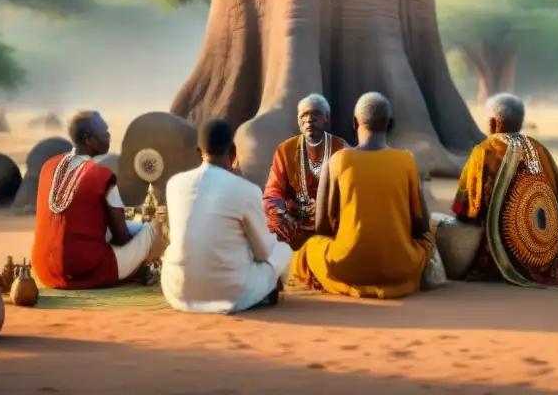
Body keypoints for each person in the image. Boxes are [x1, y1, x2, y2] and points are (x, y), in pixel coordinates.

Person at [291, 92, 432, 299]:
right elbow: (422, 225)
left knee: (309, 248)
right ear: (390, 124)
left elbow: (321, 225)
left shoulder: (338, 161)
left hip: (347, 266)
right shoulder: (407, 161)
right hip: (400, 267)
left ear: (355, 123)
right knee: (428, 242)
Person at [161, 118, 293, 314]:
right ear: (232, 152)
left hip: (180, 292)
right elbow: (263, 253)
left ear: (198, 153)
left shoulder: (175, 184)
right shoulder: (246, 189)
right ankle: (264, 292)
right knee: (283, 250)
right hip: (230, 295)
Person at [452, 94, 558, 285]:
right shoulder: (538, 148)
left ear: (493, 123)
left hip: (507, 254)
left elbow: (466, 208)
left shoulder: (485, 151)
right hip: (548, 251)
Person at [32, 110, 161, 289]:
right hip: (86, 272)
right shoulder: (102, 176)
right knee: (154, 229)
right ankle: (140, 270)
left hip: (44, 270)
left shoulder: (48, 166)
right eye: (104, 131)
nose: (108, 135)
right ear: (89, 140)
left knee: (126, 225)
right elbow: (122, 237)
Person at [263, 94, 349, 250]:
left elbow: (351, 191)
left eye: (315, 114)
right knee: (272, 221)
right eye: (304, 115)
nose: (309, 120)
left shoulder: (341, 148)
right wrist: (281, 212)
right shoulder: (285, 150)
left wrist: (326, 207)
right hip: (296, 223)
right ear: (298, 121)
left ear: (326, 118)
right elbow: (272, 192)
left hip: (331, 221)